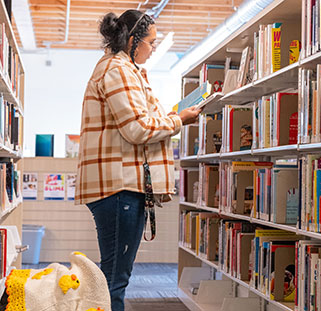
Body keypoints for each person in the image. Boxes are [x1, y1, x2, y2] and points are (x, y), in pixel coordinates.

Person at [74, 9, 201, 311]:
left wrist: (173, 116)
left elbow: (145, 118)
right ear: (132, 40)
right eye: (151, 42)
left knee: (116, 274)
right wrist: (179, 120)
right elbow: (138, 127)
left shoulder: (128, 69)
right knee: (115, 277)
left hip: (124, 187)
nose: (153, 48)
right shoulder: (117, 69)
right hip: (119, 188)